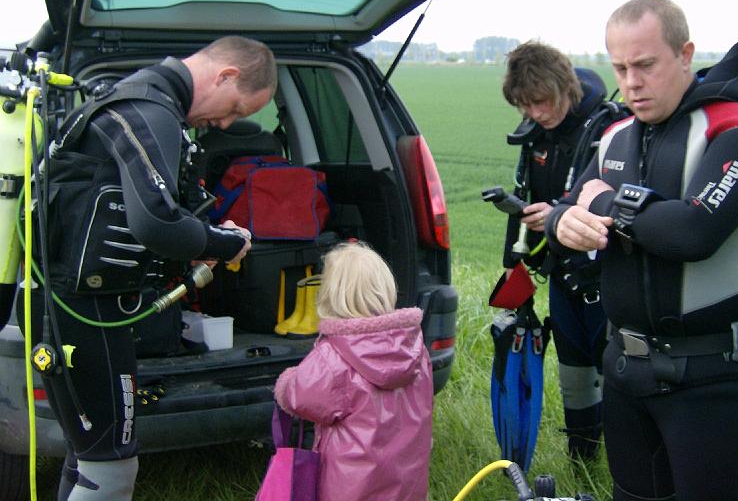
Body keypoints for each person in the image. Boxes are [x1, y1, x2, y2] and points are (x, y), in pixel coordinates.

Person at [544, 0, 738, 501]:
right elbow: (566, 206)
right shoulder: (615, 138)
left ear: (685, 53)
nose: (631, 82)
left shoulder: (737, 132)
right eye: (621, 67)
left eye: (646, 64)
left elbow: (693, 232)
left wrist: (607, 202)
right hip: (625, 369)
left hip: (709, 376)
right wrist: (564, 223)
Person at [26, 36, 277, 501]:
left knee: (90, 458)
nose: (225, 123)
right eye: (236, 109)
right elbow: (158, 223)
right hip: (85, 314)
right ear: (226, 76)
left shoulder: (140, 102)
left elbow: (145, 211)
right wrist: (227, 243)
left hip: (74, 306)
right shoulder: (149, 108)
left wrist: (199, 239)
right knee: (112, 469)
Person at [500, 41, 608, 460]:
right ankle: (583, 459)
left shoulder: (606, 131)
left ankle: (629, 461)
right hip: (561, 274)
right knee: (573, 373)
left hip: (602, 275)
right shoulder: (536, 137)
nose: (536, 114)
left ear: (566, 87)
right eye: (526, 107)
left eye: (541, 102)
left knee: (614, 373)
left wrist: (559, 214)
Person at [275, 241, 433, 501]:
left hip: (350, 488)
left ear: (329, 295)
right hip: (406, 483)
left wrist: (287, 382)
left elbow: (301, 397)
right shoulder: (415, 349)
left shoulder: (333, 357)